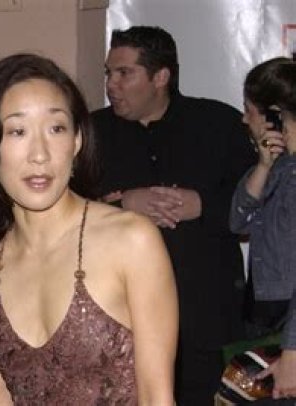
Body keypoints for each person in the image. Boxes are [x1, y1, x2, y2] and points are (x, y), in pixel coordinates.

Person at [0, 53, 178, 404]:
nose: (39, 154)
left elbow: (157, 397)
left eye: (56, 129)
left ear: (77, 141)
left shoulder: (131, 240)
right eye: (18, 131)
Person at [91, 26, 257, 404]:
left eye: (124, 73)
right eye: (108, 73)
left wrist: (203, 205)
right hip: (120, 322)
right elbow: (66, 216)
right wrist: (121, 206)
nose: (111, 84)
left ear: (161, 77)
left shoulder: (219, 124)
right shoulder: (91, 132)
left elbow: (262, 210)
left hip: (206, 320)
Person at [230, 57, 296, 401]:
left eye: (249, 110)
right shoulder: (277, 168)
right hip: (263, 313)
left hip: (287, 319)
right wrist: (263, 165)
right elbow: (237, 221)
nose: (244, 119)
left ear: (274, 115)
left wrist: (292, 351)